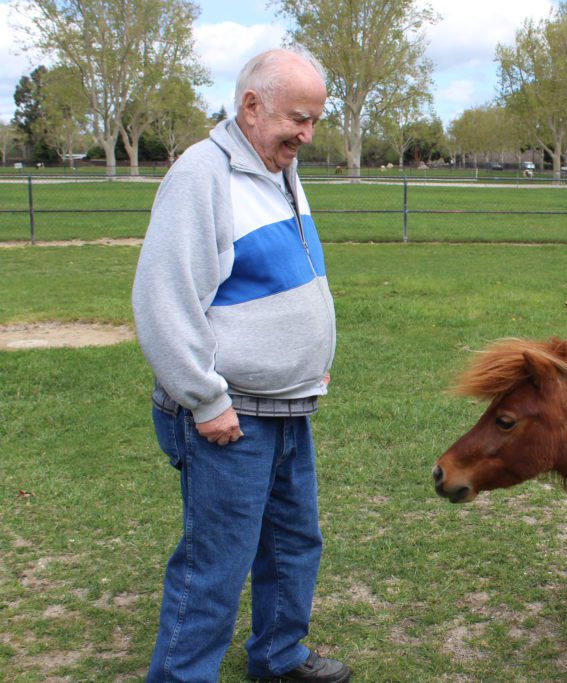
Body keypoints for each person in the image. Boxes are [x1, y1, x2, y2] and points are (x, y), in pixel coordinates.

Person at [132, 46, 350, 683]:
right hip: (230, 414)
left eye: (314, 121)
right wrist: (206, 398)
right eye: (297, 119)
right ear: (251, 106)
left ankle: (279, 660)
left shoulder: (276, 165)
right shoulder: (203, 173)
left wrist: (307, 364)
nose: (306, 136)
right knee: (215, 563)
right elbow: (164, 298)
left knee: (292, 545)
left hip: (286, 405)